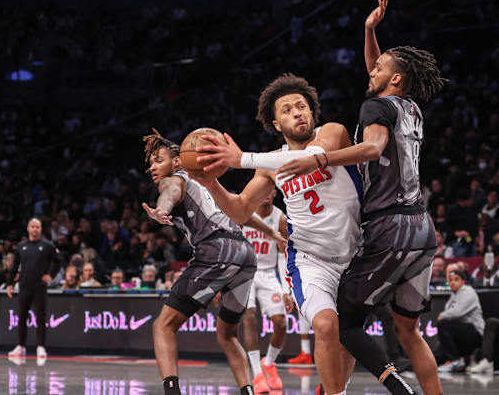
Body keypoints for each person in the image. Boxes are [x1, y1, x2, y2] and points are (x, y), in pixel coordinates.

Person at [275, 0, 447, 394]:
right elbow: (379, 71)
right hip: (424, 228)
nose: (371, 71)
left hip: (391, 225)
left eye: (380, 68)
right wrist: (370, 30)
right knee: (408, 329)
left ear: (394, 79)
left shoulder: (374, 108)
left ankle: (397, 390)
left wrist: (318, 161)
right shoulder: (409, 106)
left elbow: (370, 149)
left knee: (344, 321)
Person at [193, 73, 363, 395]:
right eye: (287, 110)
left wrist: (241, 159)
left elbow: (312, 158)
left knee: (349, 340)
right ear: (275, 123)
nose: (298, 112)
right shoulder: (270, 166)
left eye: (302, 106)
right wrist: (211, 183)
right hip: (311, 261)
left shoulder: (332, 133)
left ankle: (332, 389)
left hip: (355, 255)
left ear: (313, 111)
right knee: (326, 325)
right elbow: (242, 210)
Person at [139, 129, 283, 395]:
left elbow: (168, 194)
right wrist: (271, 232)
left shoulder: (173, 181)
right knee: (227, 334)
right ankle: (248, 391)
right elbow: (239, 211)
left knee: (163, 325)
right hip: (245, 255)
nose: (153, 167)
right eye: (150, 163)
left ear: (178, 162)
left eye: (159, 160)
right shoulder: (206, 183)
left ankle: (172, 392)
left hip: (217, 251)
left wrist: (162, 210)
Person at [240, 189, 292, 392]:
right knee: (249, 317)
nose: (267, 194)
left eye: (271, 190)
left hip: (269, 273)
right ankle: (257, 374)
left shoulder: (280, 219)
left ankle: (269, 363)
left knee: (281, 323)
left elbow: (282, 255)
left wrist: (286, 289)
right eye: (264, 190)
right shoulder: (244, 212)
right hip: (246, 273)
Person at [6, 218, 62, 358]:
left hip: (39, 287)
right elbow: (14, 267)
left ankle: (40, 346)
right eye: (32, 226)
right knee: (22, 317)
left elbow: (59, 261)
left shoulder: (47, 245)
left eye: (37, 227)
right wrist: (9, 284)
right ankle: (21, 346)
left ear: (41, 229)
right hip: (24, 286)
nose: (35, 229)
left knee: (40, 317)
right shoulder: (21, 246)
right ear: (28, 228)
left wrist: (51, 275)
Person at [435, 270, 484, 373]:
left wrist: (442, 315)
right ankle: (454, 361)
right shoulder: (454, 295)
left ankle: (455, 360)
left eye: (456, 280)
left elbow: (456, 312)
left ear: (463, 281)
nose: (452, 282)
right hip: (460, 335)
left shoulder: (468, 292)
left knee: (443, 324)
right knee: (435, 358)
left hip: (475, 333)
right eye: (450, 280)